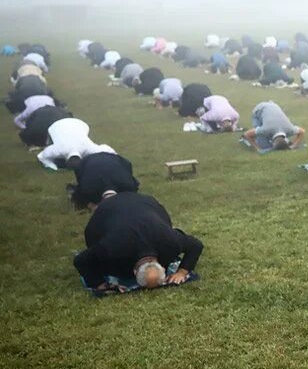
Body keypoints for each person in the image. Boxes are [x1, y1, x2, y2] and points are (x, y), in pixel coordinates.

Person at [73, 192, 203, 292]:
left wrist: (181, 272)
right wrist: (99, 284)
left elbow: (196, 245)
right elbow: (81, 260)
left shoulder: (169, 240)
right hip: (106, 210)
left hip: (145, 204)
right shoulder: (113, 248)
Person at [37, 117, 115, 169]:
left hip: (79, 125)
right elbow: (41, 156)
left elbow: (107, 149)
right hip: (56, 126)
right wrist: (53, 167)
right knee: (49, 144)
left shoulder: (89, 148)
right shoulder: (58, 150)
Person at [69, 152, 140, 209]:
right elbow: (80, 198)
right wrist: (94, 207)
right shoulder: (88, 188)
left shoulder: (128, 185)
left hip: (115, 159)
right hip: (90, 161)